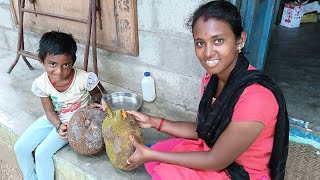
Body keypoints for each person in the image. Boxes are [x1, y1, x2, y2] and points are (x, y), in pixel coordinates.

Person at [124, 1, 289, 180]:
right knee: (155, 158)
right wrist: (153, 121)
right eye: (200, 43)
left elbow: (216, 160)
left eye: (218, 41)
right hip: (214, 150)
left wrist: (151, 155)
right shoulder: (211, 80)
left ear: (240, 40)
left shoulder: (256, 98)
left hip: (240, 171)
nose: (208, 53)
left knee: (162, 166)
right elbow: (201, 130)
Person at [14, 31, 102, 180]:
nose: (59, 71)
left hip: (74, 125)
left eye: (66, 64)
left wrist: (94, 104)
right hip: (54, 120)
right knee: (20, 148)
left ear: (73, 61)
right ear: (41, 60)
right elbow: (49, 112)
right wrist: (58, 125)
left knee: (42, 153)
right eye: (52, 64)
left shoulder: (84, 79)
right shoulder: (41, 84)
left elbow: (97, 95)